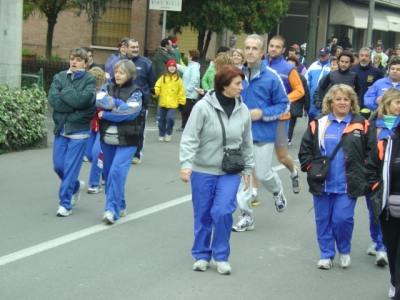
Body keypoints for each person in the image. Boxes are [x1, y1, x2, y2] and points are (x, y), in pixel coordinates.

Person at [179, 65, 254, 275]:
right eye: (237, 83)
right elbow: (189, 138)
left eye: (241, 83)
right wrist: (186, 164)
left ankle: (221, 256)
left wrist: (248, 169)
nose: (241, 87)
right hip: (203, 170)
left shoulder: (243, 110)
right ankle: (202, 255)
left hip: (230, 171)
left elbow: (247, 143)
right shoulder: (202, 107)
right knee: (203, 214)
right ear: (224, 85)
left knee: (222, 211)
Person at [299, 84, 374, 270]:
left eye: (346, 99)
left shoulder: (361, 124)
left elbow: (372, 153)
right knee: (323, 219)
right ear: (330, 102)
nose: (342, 103)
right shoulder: (319, 123)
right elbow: (305, 150)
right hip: (322, 183)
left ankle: (344, 250)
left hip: (348, 185)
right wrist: (310, 168)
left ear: (352, 102)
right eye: (338, 99)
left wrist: (365, 174)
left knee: (342, 219)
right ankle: (326, 254)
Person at [231, 34, 289, 232]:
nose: (250, 51)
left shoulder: (272, 77)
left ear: (262, 52)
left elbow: (284, 105)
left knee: (263, 174)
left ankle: (277, 189)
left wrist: (262, 113)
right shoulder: (235, 75)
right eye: (247, 47)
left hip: (263, 135)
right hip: (239, 137)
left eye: (255, 48)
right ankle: (246, 216)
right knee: (244, 176)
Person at [48, 48, 96, 217]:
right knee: (58, 166)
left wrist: (65, 93)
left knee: (70, 168)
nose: (74, 62)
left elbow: (85, 101)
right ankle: (75, 186)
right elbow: (54, 100)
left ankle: (65, 204)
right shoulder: (59, 77)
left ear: (86, 62)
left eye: (78, 59)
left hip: (79, 131)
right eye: (72, 58)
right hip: (61, 129)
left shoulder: (89, 80)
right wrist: (73, 101)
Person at [97, 60, 143, 224]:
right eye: (116, 71)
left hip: (128, 139)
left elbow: (129, 113)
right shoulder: (106, 87)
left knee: (117, 171)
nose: (117, 75)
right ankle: (120, 204)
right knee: (109, 175)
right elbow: (101, 101)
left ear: (130, 74)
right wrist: (119, 105)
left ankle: (111, 209)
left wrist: (107, 113)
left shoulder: (137, 92)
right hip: (107, 138)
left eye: (121, 72)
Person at [365, 88, 400, 269]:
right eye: (397, 102)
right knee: (374, 212)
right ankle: (376, 240)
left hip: (395, 179)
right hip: (375, 176)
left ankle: (383, 247)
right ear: (386, 104)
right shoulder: (371, 124)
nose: (399, 106)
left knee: (390, 214)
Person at [106, 39, 156, 165]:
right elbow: (111, 80)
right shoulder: (117, 63)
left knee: (138, 129)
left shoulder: (146, 63)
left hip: (140, 104)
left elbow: (152, 83)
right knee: (122, 127)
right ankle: (121, 150)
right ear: (125, 48)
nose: (135, 49)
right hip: (119, 103)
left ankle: (137, 154)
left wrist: (145, 96)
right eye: (132, 47)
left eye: (137, 47)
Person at [366, 122, 400, 300]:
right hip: (391, 211)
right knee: (393, 251)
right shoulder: (386, 144)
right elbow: (371, 169)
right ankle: (395, 282)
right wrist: (377, 189)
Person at [152, 60, 186, 142]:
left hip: (172, 103)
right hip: (163, 103)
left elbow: (181, 91)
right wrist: (154, 92)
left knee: (170, 118)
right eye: (170, 66)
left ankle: (168, 132)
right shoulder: (162, 78)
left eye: (173, 66)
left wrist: (182, 102)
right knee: (162, 120)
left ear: (176, 68)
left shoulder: (178, 79)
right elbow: (157, 87)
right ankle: (161, 134)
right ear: (167, 67)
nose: (172, 68)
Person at [85, 67, 106, 194]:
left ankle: (94, 183)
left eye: (98, 84)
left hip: (102, 128)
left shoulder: (106, 92)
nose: (97, 87)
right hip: (90, 127)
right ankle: (104, 170)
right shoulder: (86, 91)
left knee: (97, 153)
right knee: (88, 154)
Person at [287, 55, 310, 146]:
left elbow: (305, 92)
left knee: (291, 122)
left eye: (292, 66)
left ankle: (288, 138)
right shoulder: (281, 75)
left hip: (296, 103)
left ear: (296, 67)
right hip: (283, 103)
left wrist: (306, 106)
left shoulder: (301, 78)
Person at [176, 49, 201, 132]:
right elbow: (184, 69)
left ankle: (187, 127)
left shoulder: (194, 67)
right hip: (187, 94)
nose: (187, 57)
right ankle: (184, 126)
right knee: (184, 110)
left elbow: (195, 79)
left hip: (190, 95)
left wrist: (188, 90)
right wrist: (174, 65)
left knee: (187, 111)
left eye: (188, 55)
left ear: (191, 57)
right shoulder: (190, 67)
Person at [305, 46, 331, 122]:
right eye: (320, 55)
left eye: (324, 55)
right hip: (312, 99)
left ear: (329, 55)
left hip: (326, 99)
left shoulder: (331, 66)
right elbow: (307, 81)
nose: (321, 56)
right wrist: (308, 94)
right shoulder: (313, 65)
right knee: (312, 120)